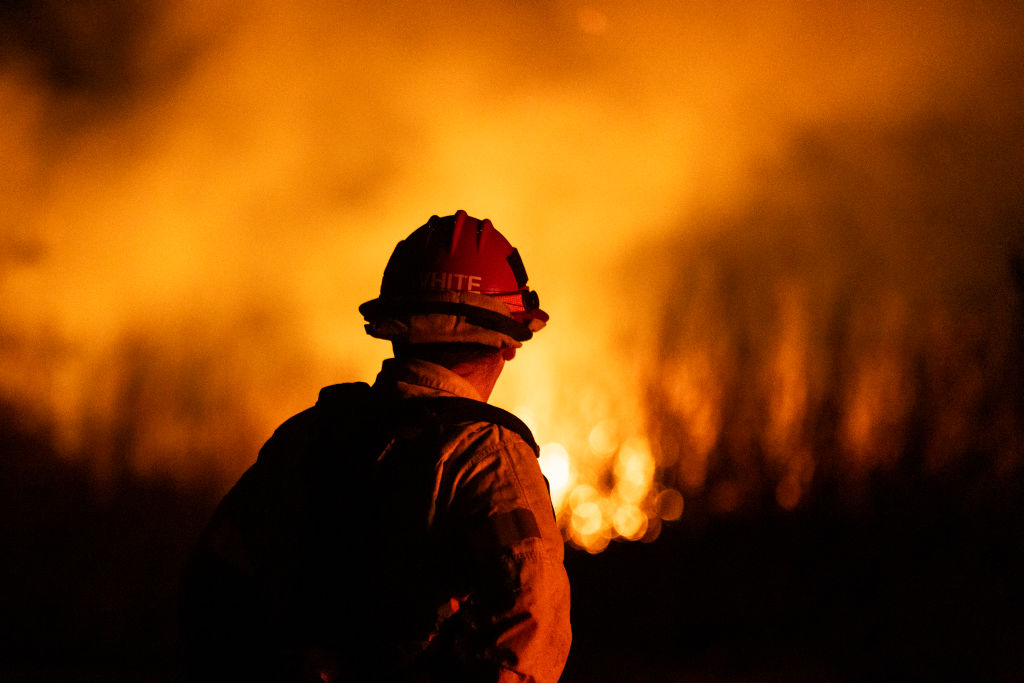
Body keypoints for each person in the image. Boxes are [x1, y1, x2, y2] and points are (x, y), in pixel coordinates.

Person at [180, 210, 572, 682]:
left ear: (395, 325)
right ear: (506, 342)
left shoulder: (306, 437)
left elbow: (211, 587)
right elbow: (529, 628)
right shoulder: (489, 457)